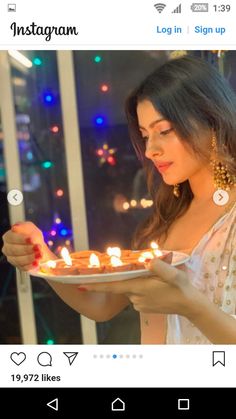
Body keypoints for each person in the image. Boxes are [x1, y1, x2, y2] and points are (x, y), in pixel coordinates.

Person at [2, 55, 236, 344]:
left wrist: (190, 306)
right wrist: (42, 258)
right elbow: (102, 307)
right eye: (144, 135)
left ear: (212, 121)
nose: (151, 150)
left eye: (164, 131)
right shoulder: (169, 218)